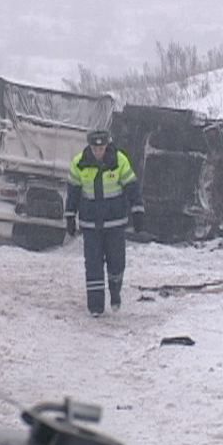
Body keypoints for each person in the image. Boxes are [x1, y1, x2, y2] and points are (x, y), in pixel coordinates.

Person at [65, 129, 144, 317]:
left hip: (115, 223)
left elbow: (132, 188)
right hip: (91, 225)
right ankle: (95, 306)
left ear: (107, 145)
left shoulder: (119, 161)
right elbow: (73, 194)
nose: (98, 151)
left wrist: (138, 211)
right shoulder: (79, 164)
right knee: (93, 265)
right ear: (90, 146)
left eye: (101, 148)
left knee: (116, 264)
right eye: (95, 148)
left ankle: (115, 292)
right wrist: (69, 216)